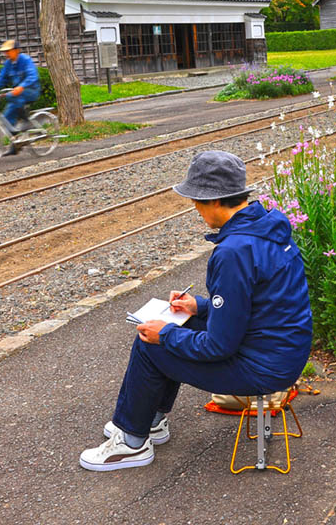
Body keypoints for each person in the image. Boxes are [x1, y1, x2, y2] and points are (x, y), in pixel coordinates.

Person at [80, 150, 313, 471]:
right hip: (283, 352)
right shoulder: (268, 228)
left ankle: (132, 442)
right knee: (178, 326)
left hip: (263, 367)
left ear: (214, 200)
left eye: (196, 200)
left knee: (151, 343)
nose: (195, 208)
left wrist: (165, 334)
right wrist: (198, 306)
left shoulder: (233, 252)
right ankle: (150, 421)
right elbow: (257, 305)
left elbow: (218, 347)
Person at [0, 39, 41, 156]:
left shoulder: (25, 60)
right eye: (5, 51)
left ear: (16, 50)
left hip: (31, 90)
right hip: (17, 93)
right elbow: (2, 78)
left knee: (15, 97)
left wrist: (22, 86)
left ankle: (27, 122)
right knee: (6, 119)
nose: (6, 54)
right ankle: (15, 145)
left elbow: (32, 76)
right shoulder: (8, 64)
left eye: (8, 51)